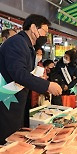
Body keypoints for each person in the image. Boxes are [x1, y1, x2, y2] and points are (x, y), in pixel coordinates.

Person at [0, 14, 62, 144]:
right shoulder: (17, 43)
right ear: (33, 27)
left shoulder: (27, 46)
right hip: (7, 100)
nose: (45, 36)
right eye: (44, 31)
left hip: (16, 100)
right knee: (9, 140)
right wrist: (47, 85)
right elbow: (19, 73)